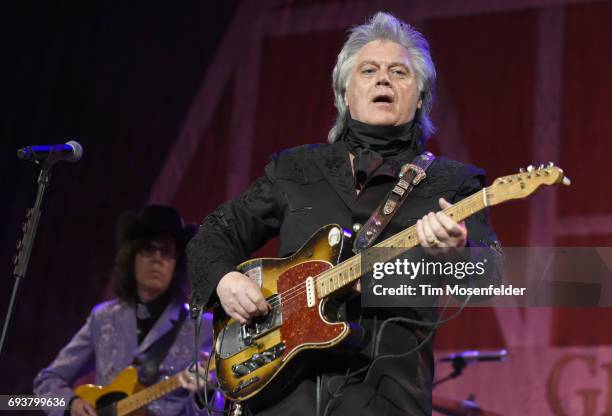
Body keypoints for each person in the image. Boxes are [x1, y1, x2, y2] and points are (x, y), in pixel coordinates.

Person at [187, 12, 501, 416]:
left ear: (421, 96)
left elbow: (492, 274)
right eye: (369, 71)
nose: (384, 79)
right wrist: (225, 280)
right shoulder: (295, 169)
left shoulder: (452, 182)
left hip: (385, 398)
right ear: (344, 94)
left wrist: (459, 253)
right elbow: (213, 234)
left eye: (399, 73)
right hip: (279, 399)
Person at [34, 205, 218, 416]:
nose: (157, 258)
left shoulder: (203, 327)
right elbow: (47, 381)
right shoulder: (103, 318)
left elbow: (220, 409)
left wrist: (206, 394)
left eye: (166, 251)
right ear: (132, 257)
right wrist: (71, 403)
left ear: (177, 264)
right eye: (148, 248)